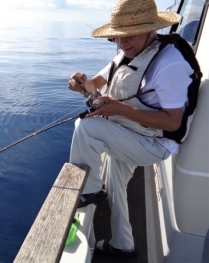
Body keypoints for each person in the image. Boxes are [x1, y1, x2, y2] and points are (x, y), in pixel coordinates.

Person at [68, 0, 194, 257]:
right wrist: (80, 84)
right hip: (130, 133)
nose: (122, 43)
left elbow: (173, 122)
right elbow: (94, 84)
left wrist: (120, 109)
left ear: (151, 29)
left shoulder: (170, 64)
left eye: (129, 35)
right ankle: (123, 246)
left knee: (86, 126)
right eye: (117, 37)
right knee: (115, 181)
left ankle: (90, 191)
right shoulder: (127, 54)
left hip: (153, 145)